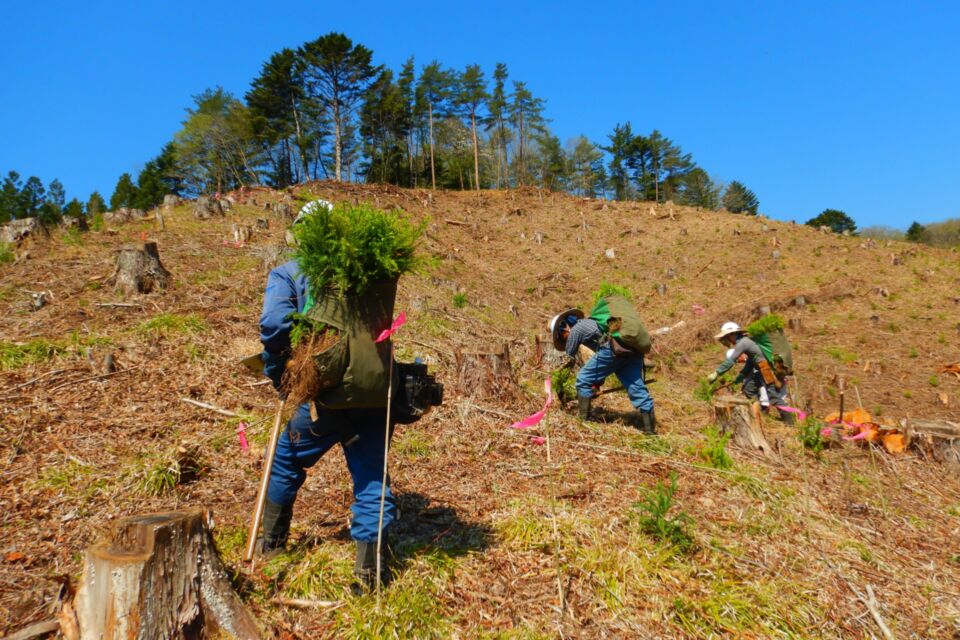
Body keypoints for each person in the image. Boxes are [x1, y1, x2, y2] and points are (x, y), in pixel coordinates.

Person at [258, 198, 395, 590]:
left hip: (324, 397)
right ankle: (370, 580)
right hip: (374, 393)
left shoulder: (288, 273)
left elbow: (273, 323)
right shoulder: (368, 273)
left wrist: (279, 374)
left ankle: (272, 546)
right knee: (372, 478)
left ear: (303, 233)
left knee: (286, 459)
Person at [550, 310, 656, 434]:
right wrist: (595, 386)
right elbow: (602, 367)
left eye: (561, 336)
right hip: (629, 350)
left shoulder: (575, 330)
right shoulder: (591, 323)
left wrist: (558, 385)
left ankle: (583, 422)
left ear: (564, 327)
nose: (564, 339)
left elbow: (567, 360)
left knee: (583, 379)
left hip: (613, 350)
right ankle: (650, 432)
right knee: (636, 388)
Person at [707, 322, 794, 424]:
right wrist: (743, 374)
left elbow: (731, 361)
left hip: (766, 370)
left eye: (727, 337)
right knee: (749, 388)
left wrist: (717, 373)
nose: (727, 340)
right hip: (760, 369)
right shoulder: (746, 341)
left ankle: (790, 422)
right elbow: (751, 361)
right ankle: (759, 413)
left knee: (773, 396)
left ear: (732, 335)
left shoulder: (743, 342)